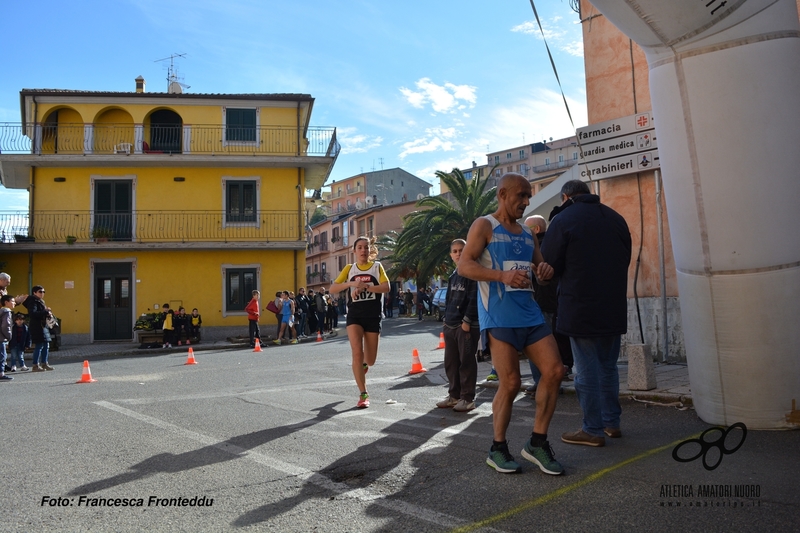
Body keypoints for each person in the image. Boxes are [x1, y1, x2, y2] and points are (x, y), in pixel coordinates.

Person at [459, 173, 565, 475]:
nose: (526, 201)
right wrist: (502, 276)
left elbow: (539, 269)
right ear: (503, 194)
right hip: (499, 315)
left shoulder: (526, 233)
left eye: (528, 196)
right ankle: (498, 447)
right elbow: (465, 264)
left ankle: (537, 442)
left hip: (529, 313)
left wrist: (543, 270)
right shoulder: (484, 225)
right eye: (521, 195)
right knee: (511, 382)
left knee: (555, 371)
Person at [541, 179, 632, 447]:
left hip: (580, 306)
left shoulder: (564, 219)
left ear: (566, 197)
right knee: (608, 367)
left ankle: (591, 429)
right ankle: (611, 424)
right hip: (613, 306)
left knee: (586, 370)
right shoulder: (616, 218)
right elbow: (624, 259)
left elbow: (548, 263)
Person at [329, 236, 390, 408]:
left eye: (366, 247)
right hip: (354, 316)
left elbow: (386, 288)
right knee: (356, 352)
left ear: (370, 250)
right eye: (360, 247)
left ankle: (364, 365)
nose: (363, 250)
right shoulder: (350, 269)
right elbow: (333, 288)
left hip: (373, 316)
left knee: (370, 360)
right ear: (354, 251)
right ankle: (363, 394)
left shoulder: (377, 267)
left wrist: (366, 287)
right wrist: (351, 284)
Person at [523, 215, 574, 395]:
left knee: (536, 343)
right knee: (556, 343)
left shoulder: (534, 248)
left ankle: (543, 382)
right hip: (559, 300)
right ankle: (552, 381)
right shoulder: (557, 244)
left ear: (536, 230)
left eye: (527, 229)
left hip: (541, 302)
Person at [436, 239, 479, 412]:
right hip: (451, 325)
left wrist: (467, 322)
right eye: (455, 251)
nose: (458, 253)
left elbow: (475, 298)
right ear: (451, 254)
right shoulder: (454, 274)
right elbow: (449, 299)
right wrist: (446, 320)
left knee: (466, 362)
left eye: (461, 250)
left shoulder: (472, 272)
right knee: (451, 362)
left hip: (466, 326)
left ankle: (467, 399)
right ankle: (454, 396)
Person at [23, 286, 54, 370]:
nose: (42, 293)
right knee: (39, 346)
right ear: (34, 293)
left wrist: (48, 313)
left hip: (43, 325)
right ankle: (35, 365)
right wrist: (45, 311)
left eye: (44, 292)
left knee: (46, 345)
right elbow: (33, 313)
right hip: (37, 326)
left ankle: (44, 363)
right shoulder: (32, 301)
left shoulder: (40, 301)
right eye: (40, 291)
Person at [0, 295, 15, 380]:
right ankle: (1, 374)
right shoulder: (6, 312)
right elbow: (6, 326)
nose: (14, 303)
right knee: (2, 356)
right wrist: (9, 336)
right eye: (12, 301)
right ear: (6, 302)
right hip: (1, 338)